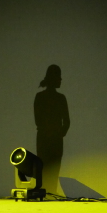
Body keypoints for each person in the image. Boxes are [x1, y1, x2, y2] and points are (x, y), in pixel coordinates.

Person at [34, 65, 70, 196]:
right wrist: (59, 133)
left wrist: (55, 133)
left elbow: (38, 120)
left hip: (44, 138)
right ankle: (50, 193)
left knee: (45, 168)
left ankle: (46, 193)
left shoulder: (40, 97)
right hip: (53, 139)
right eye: (59, 78)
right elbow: (66, 122)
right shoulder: (60, 98)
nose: (61, 80)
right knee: (52, 169)